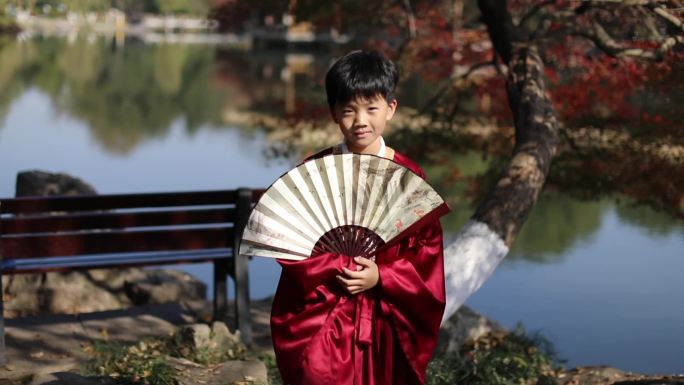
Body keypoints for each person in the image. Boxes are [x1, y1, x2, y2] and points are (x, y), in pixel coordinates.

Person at [270, 50, 446, 385]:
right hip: (325, 312)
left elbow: (427, 255)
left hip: (384, 314)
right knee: (317, 375)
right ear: (334, 113)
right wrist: (335, 266)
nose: (360, 120)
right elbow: (292, 247)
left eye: (371, 108)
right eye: (349, 110)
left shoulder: (408, 177)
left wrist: (383, 275)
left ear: (391, 109)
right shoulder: (315, 173)